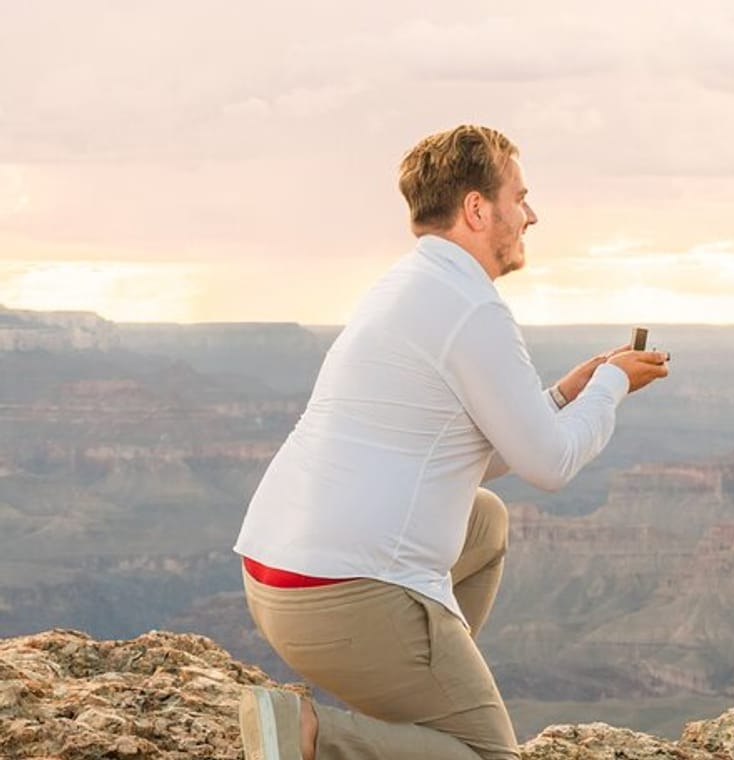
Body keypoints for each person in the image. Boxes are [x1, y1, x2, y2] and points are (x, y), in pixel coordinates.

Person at [232, 124, 670, 760]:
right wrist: (611, 385)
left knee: (485, 522)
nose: (532, 214)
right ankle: (307, 737)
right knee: (486, 754)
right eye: (519, 197)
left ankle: (410, 701)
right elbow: (551, 463)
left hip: (280, 578)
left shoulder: (408, 286)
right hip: (342, 593)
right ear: (476, 208)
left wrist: (560, 398)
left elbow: (457, 451)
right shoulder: (472, 308)